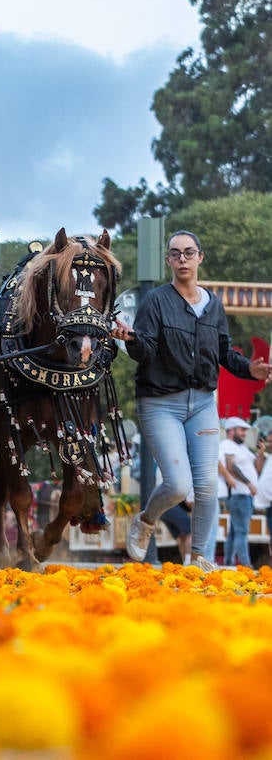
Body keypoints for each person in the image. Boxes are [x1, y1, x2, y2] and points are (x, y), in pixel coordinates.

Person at [116, 230, 271, 570]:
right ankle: (145, 521)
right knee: (177, 485)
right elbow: (147, 349)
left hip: (202, 403)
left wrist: (252, 371)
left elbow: (225, 354)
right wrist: (130, 340)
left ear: (200, 257)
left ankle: (200, 557)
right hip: (160, 403)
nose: (182, 259)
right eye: (175, 254)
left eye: (188, 253)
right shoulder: (156, 301)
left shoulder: (213, 305)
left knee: (207, 485)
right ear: (168, 260)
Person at [218, 416, 258, 567]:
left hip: (245, 495)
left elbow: (256, 467)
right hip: (240, 494)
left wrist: (260, 454)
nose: (244, 433)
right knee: (242, 531)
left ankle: (229, 562)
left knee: (235, 531)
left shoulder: (242, 448)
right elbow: (230, 467)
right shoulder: (227, 444)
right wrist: (249, 484)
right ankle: (245, 565)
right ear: (231, 431)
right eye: (241, 430)